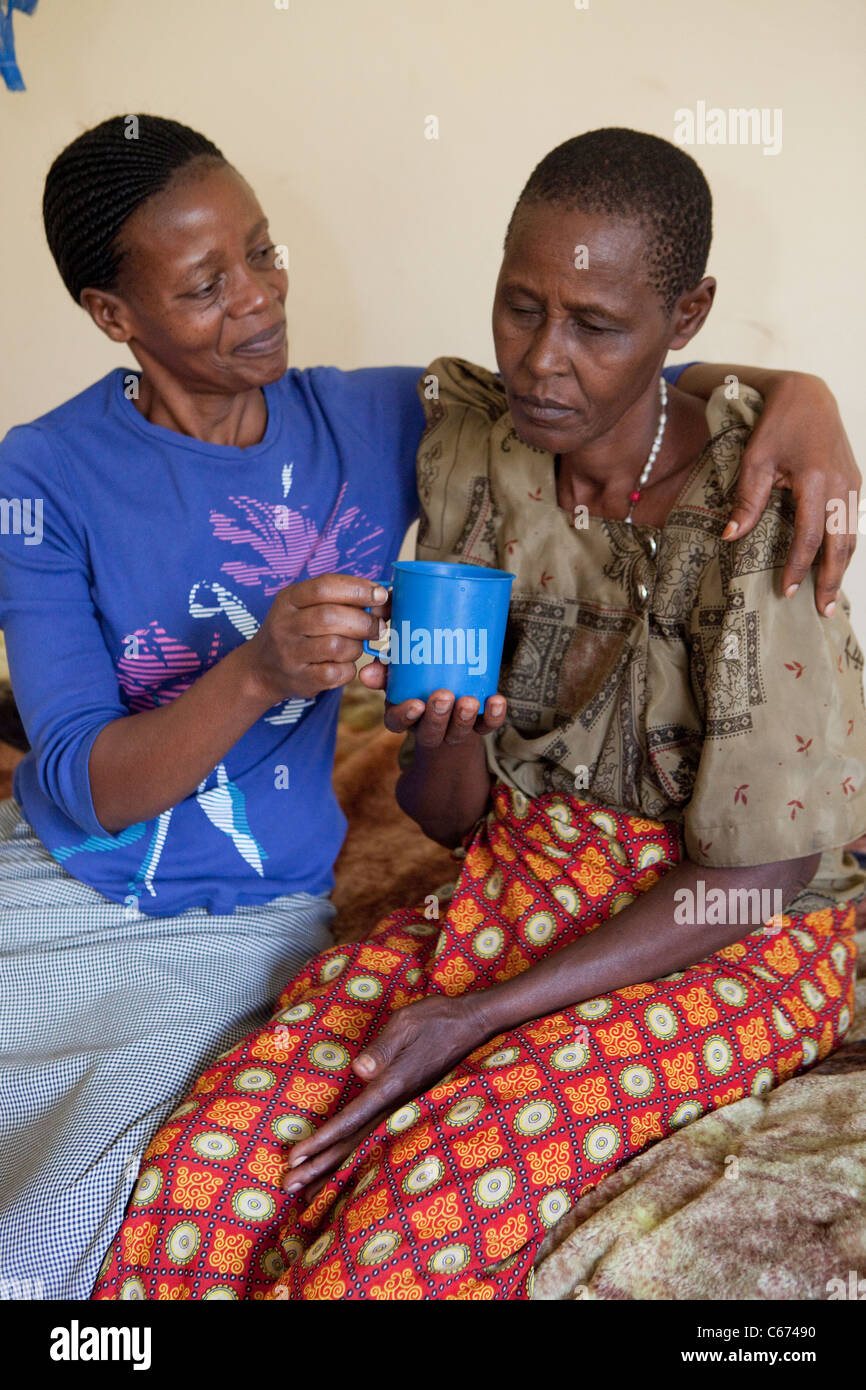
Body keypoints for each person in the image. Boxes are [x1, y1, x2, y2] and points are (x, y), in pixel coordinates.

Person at [91, 127, 866, 1303]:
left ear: (686, 314)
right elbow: (448, 820)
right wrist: (442, 745)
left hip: (730, 925)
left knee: (402, 1228)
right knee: (210, 1169)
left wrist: (476, 1018)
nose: (541, 361)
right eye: (519, 306)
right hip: (515, 884)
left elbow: (757, 874)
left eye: (594, 326)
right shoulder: (471, 452)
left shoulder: (756, 512)